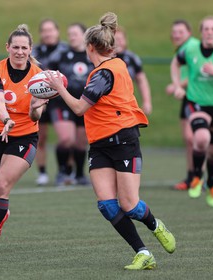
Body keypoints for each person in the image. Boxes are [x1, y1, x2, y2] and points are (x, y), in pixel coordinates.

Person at [45, 12, 176, 270]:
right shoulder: (104, 69)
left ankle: (155, 225)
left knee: (130, 205)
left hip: (124, 141)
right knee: (107, 205)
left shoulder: (105, 73)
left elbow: (80, 108)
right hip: (101, 145)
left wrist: (58, 88)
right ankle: (143, 252)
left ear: (89, 47)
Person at [0, 24, 48, 253]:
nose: (20, 52)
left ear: (30, 49)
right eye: (15, 47)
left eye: (24, 48)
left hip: (24, 136)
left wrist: (35, 107)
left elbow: (37, 116)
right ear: (8, 47)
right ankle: (1, 213)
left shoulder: (40, 78)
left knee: (1, 186)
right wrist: (6, 121)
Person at [171, 16, 213, 207]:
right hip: (196, 101)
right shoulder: (190, 49)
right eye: (206, 29)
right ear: (201, 32)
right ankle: (197, 175)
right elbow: (176, 62)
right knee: (201, 138)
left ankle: (212, 183)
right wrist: (177, 85)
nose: (210, 32)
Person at [48, 23, 94, 186]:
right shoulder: (60, 55)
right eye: (70, 34)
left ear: (84, 35)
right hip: (62, 103)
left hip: (85, 103)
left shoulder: (92, 54)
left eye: (75, 33)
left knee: (81, 142)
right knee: (67, 139)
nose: (72, 37)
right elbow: (47, 75)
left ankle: (80, 174)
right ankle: (62, 171)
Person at [31, 19, 69, 186]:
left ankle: (68, 170)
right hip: (40, 97)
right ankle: (42, 172)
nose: (48, 33)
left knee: (67, 137)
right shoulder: (35, 51)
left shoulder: (66, 49)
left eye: (51, 30)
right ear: (40, 34)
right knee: (41, 136)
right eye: (44, 30)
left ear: (57, 31)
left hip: (61, 99)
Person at [165, 20, 200, 190]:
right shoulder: (183, 49)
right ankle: (192, 176)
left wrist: (178, 86)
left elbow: (197, 72)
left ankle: (199, 176)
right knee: (189, 140)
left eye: (180, 31)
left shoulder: (192, 47)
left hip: (198, 97)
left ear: (189, 32)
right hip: (188, 96)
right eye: (174, 31)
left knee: (194, 138)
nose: (176, 34)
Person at [115, 27, 152, 115]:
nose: (117, 42)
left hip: (126, 103)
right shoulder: (104, 58)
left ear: (125, 40)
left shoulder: (132, 58)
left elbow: (141, 80)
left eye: (120, 39)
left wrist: (147, 101)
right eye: (114, 39)